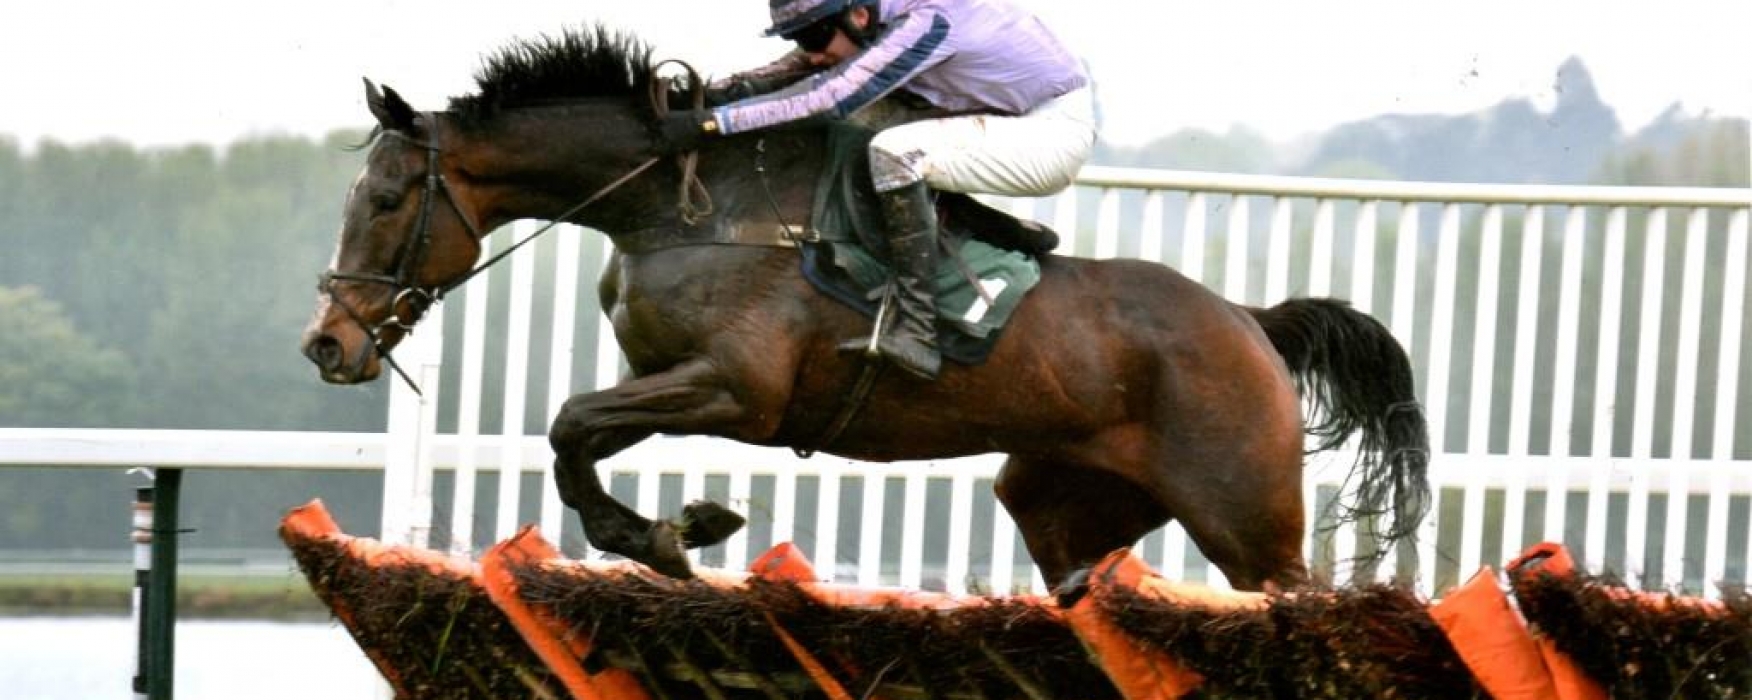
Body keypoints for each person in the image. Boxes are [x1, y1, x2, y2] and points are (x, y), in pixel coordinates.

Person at [663, 0, 1096, 380]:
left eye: (813, 37)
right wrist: (699, 99)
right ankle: (994, 227)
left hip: (1050, 133)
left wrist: (713, 125)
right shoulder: (868, 15)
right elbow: (795, 71)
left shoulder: (927, 21)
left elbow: (828, 97)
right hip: (1005, 115)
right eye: (798, 37)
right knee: (856, 119)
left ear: (858, 15)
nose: (810, 51)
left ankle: (918, 331)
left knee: (893, 151)